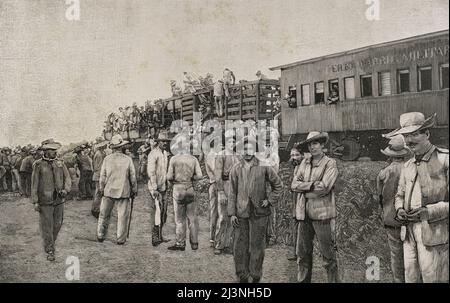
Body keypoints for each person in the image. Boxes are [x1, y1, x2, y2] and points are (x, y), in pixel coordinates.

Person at [391, 112, 448, 283]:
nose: (409, 141)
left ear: (427, 134)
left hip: (436, 236)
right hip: (409, 236)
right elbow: (399, 195)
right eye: (406, 136)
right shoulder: (407, 165)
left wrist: (428, 212)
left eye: (414, 134)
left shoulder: (445, 159)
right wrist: (400, 209)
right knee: (411, 279)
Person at [228, 137, 283, 283]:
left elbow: (278, 185)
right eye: (244, 149)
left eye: (249, 149)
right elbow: (232, 192)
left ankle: (255, 274)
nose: (247, 152)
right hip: (241, 212)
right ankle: (242, 274)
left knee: (257, 245)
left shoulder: (264, 166)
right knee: (240, 245)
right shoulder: (235, 168)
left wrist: (269, 200)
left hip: (259, 212)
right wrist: (232, 213)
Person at [291, 131, 339, 283]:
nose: (312, 147)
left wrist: (303, 188)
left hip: (322, 215)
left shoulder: (330, 163)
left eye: (316, 143)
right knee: (302, 254)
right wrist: (311, 185)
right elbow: (293, 185)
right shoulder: (304, 162)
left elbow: (324, 187)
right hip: (303, 214)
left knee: (328, 255)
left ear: (322, 145)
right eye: (310, 144)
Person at [375, 135, 411, 283]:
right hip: (410, 216)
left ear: (390, 155)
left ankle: (398, 280)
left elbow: (379, 197)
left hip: (390, 218)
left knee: (396, 254)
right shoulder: (411, 169)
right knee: (412, 254)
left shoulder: (384, 173)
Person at [31, 139, 71, 261]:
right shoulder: (38, 164)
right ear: (45, 151)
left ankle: (50, 243)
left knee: (58, 224)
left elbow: (67, 178)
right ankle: (50, 250)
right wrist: (35, 201)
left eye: (55, 150)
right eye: (52, 150)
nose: (54, 152)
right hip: (45, 201)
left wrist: (66, 190)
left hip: (59, 200)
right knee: (47, 226)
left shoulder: (60, 163)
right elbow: (34, 184)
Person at [97, 135, 138, 245]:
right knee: (122, 216)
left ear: (113, 147)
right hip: (123, 191)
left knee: (104, 214)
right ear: (122, 147)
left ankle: (101, 235)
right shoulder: (128, 159)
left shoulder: (107, 159)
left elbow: (102, 176)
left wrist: (101, 188)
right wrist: (134, 189)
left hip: (108, 190)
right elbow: (133, 177)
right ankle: (120, 239)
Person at [166, 144, 203, 251]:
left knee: (179, 219)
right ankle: (194, 243)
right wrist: (192, 178)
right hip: (190, 188)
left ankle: (180, 243)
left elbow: (169, 176)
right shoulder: (193, 159)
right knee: (192, 218)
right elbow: (199, 176)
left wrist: (174, 179)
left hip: (178, 188)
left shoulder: (174, 159)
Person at [213, 133, 240, 255]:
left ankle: (228, 244)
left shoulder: (237, 156)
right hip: (224, 185)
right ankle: (218, 243)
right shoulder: (221, 155)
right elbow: (217, 175)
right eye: (229, 141)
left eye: (233, 141)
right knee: (223, 217)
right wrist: (221, 192)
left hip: (235, 188)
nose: (232, 143)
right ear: (225, 143)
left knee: (232, 217)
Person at [147, 132, 170, 246]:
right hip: (155, 188)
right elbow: (151, 172)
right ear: (158, 142)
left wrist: (167, 183)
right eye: (163, 141)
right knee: (157, 211)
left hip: (164, 187)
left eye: (166, 141)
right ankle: (155, 237)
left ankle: (161, 235)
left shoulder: (165, 153)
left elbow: (165, 171)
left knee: (164, 212)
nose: (165, 143)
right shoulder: (153, 154)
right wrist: (155, 188)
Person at [287, 145, 304, 261]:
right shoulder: (295, 167)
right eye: (292, 155)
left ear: (302, 155)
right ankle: (296, 252)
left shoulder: (305, 167)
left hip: (302, 199)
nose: (294, 157)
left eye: (297, 155)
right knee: (295, 225)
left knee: (301, 226)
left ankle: (300, 253)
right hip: (295, 198)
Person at [91, 137, 108, 218]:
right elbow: (98, 166)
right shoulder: (99, 154)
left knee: (99, 192)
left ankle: (97, 208)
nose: (105, 146)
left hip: (99, 174)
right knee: (98, 192)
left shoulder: (101, 153)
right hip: (99, 175)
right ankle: (95, 209)